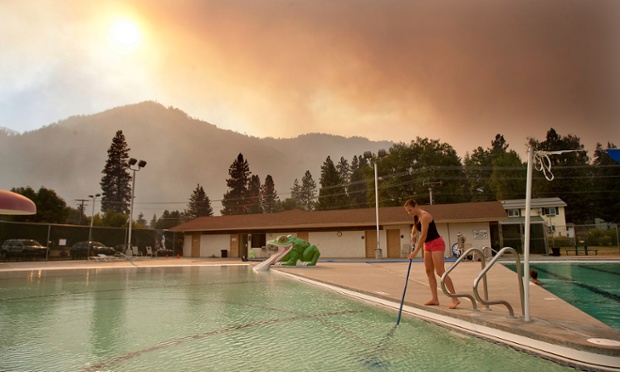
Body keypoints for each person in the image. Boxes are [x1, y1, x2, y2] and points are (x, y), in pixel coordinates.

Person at [404, 199, 460, 309]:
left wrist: (415, 252)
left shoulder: (425, 216)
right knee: (429, 271)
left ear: (416, 206)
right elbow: (415, 227)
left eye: (410, 210)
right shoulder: (416, 216)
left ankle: (455, 298)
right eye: (407, 211)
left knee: (440, 271)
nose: (409, 213)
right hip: (427, 245)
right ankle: (435, 299)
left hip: (436, 243)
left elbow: (423, 235)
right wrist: (412, 234)